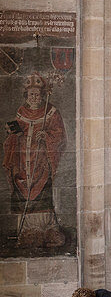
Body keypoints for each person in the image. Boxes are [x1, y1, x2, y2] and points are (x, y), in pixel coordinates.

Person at [4, 73, 66, 249]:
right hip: (23, 161)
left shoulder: (51, 112)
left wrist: (45, 135)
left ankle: (46, 228)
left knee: (41, 194)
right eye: (31, 94)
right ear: (26, 95)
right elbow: (15, 134)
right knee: (22, 191)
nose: (34, 97)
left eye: (37, 94)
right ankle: (27, 230)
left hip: (41, 164)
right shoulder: (21, 112)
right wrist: (11, 133)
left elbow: (60, 136)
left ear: (43, 95)